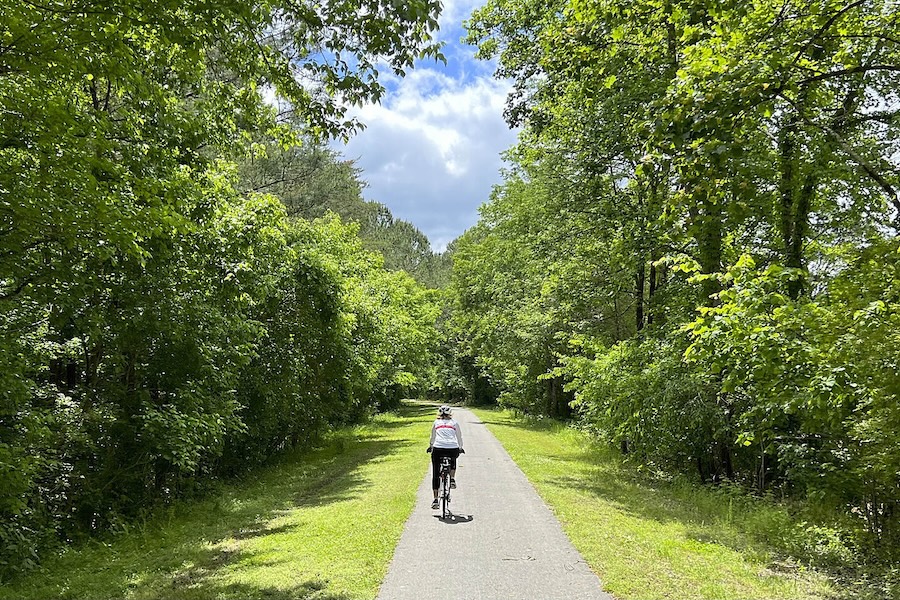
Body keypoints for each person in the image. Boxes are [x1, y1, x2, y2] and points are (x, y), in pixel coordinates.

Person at [426, 404, 464, 509]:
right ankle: (452, 478)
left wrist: (430, 446)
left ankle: (435, 500)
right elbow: (459, 437)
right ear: (450, 414)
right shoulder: (455, 423)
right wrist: (460, 447)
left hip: (438, 448)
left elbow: (433, 436)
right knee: (453, 457)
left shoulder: (436, 422)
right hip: (452, 448)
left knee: (435, 472)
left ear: (439, 414)